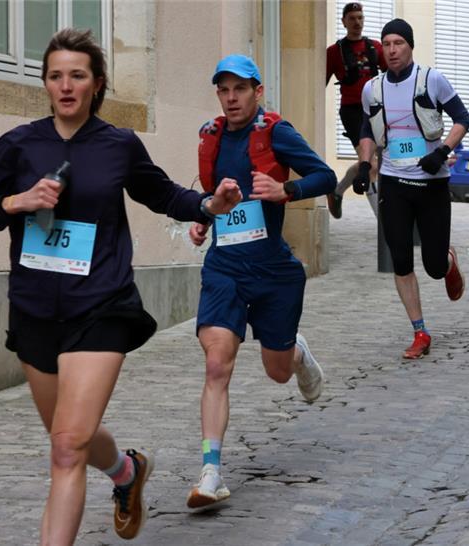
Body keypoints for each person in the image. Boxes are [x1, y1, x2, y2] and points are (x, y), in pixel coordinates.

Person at [0, 29, 241, 543]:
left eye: (77, 76)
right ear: (45, 83)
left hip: (101, 306)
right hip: (35, 310)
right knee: (72, 433)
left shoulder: (117, 144)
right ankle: (127, 473)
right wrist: (14, 203)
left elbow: (161, 193)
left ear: (96, 84)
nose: (66, 86)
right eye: (56, 76)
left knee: (65, 448)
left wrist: (207, 206)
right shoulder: (18, 145)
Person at [185, 55, 337, 509]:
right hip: (225, 268)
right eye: (223, 90)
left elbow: (325, 176)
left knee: (276, 371)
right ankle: (211, 471)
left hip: (272, 271)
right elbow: (216, 199)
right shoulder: (211, 137)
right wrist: (204, 219)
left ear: (257, 91)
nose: (231, 98)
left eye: (240, 89)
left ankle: (296, 352)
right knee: (217, 364)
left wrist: (285, 190)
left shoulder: (275, 132)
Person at [354, 18, 469, 360]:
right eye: (386, 43)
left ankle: (448, 263)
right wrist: (363, 166)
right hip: (393, 182)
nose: (391, 50)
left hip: (432, 183)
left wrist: (442, 152)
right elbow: (366, 128)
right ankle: (420, 331)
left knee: (433, 265)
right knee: (400, 259)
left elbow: (462, 118)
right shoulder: (372, 88)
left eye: (398, 43)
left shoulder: (431, 79)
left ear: (410, 46)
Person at [325, 1, 387, 219]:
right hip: (352, 112)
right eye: (352, 18)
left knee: (374, 163)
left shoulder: (375, 48)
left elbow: (394, 78)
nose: (357, 22)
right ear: (343, 22)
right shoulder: (334, 52)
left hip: (375, 110)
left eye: (360, 17)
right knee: (369, 165)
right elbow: (316, 85)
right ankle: (385, 223)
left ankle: (337, 191)